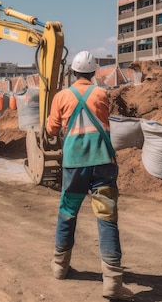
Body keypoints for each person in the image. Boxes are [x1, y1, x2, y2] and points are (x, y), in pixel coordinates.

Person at [46, 51, 133, 301]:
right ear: (94, 72)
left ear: (73, 72)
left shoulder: (61, 96)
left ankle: (60, 267)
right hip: (103, 163)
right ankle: (113, 282)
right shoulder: (102, 93)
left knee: (67, 212)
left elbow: (52, 128)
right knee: (106, 218)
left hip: (75, 165)